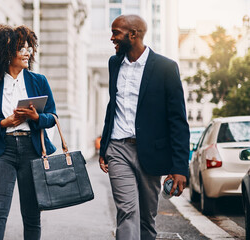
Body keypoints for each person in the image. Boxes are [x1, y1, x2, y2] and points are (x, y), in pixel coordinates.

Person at [98, 15, 190, 240]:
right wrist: (104, 148)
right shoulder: (114, 63)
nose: (112, 38)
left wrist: (180, 166)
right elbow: (113, 106)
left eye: (116, 33)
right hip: (118, 148)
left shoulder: (165, 68)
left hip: (151, 152)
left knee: (147, 218)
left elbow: (178, 119)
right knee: (127, 211)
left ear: (133, 34)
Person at [0, 25, 57, 240]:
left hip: (32, 149)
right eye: (21, 48)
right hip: (3, 152)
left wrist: (36, 118)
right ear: (4, 52)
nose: (27, 52)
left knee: (31, 215)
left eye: (29, 48)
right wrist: (4, 122)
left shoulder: (39, 81)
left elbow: (53, 117)